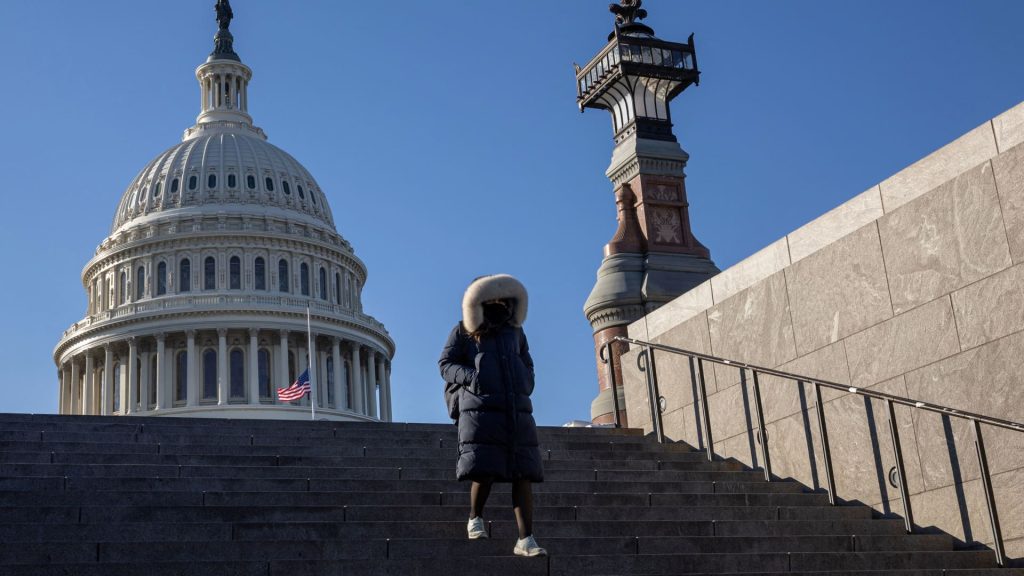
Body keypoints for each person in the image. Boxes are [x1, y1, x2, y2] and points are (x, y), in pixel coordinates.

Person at [438, 274, 546, 557]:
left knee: (523, 473)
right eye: (492, 297)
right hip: (481, 409)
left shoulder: (516, 332)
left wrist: (525, 381)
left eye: (503, 297)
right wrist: (473, 378)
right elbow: (445, 364)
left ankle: (526, 539)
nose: (499, 301)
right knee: (484, 469)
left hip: (515, 408)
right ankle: (475, 516)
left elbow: (527, 362)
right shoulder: (463, 330)